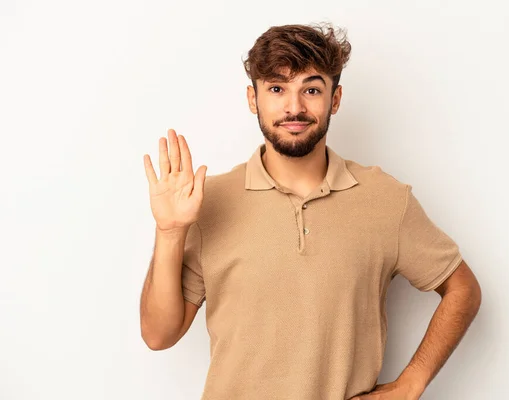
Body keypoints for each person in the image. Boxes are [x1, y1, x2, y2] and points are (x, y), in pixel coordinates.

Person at [139, 22, 481, 400]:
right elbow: (158, 335)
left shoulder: (385, 199)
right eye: (276, 88)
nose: (294, 107)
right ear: (254, 100)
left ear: (334, 100)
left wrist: (411, 382)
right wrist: (170, 232)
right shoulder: (210, 201)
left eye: (312, 89)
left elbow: (462, 288)